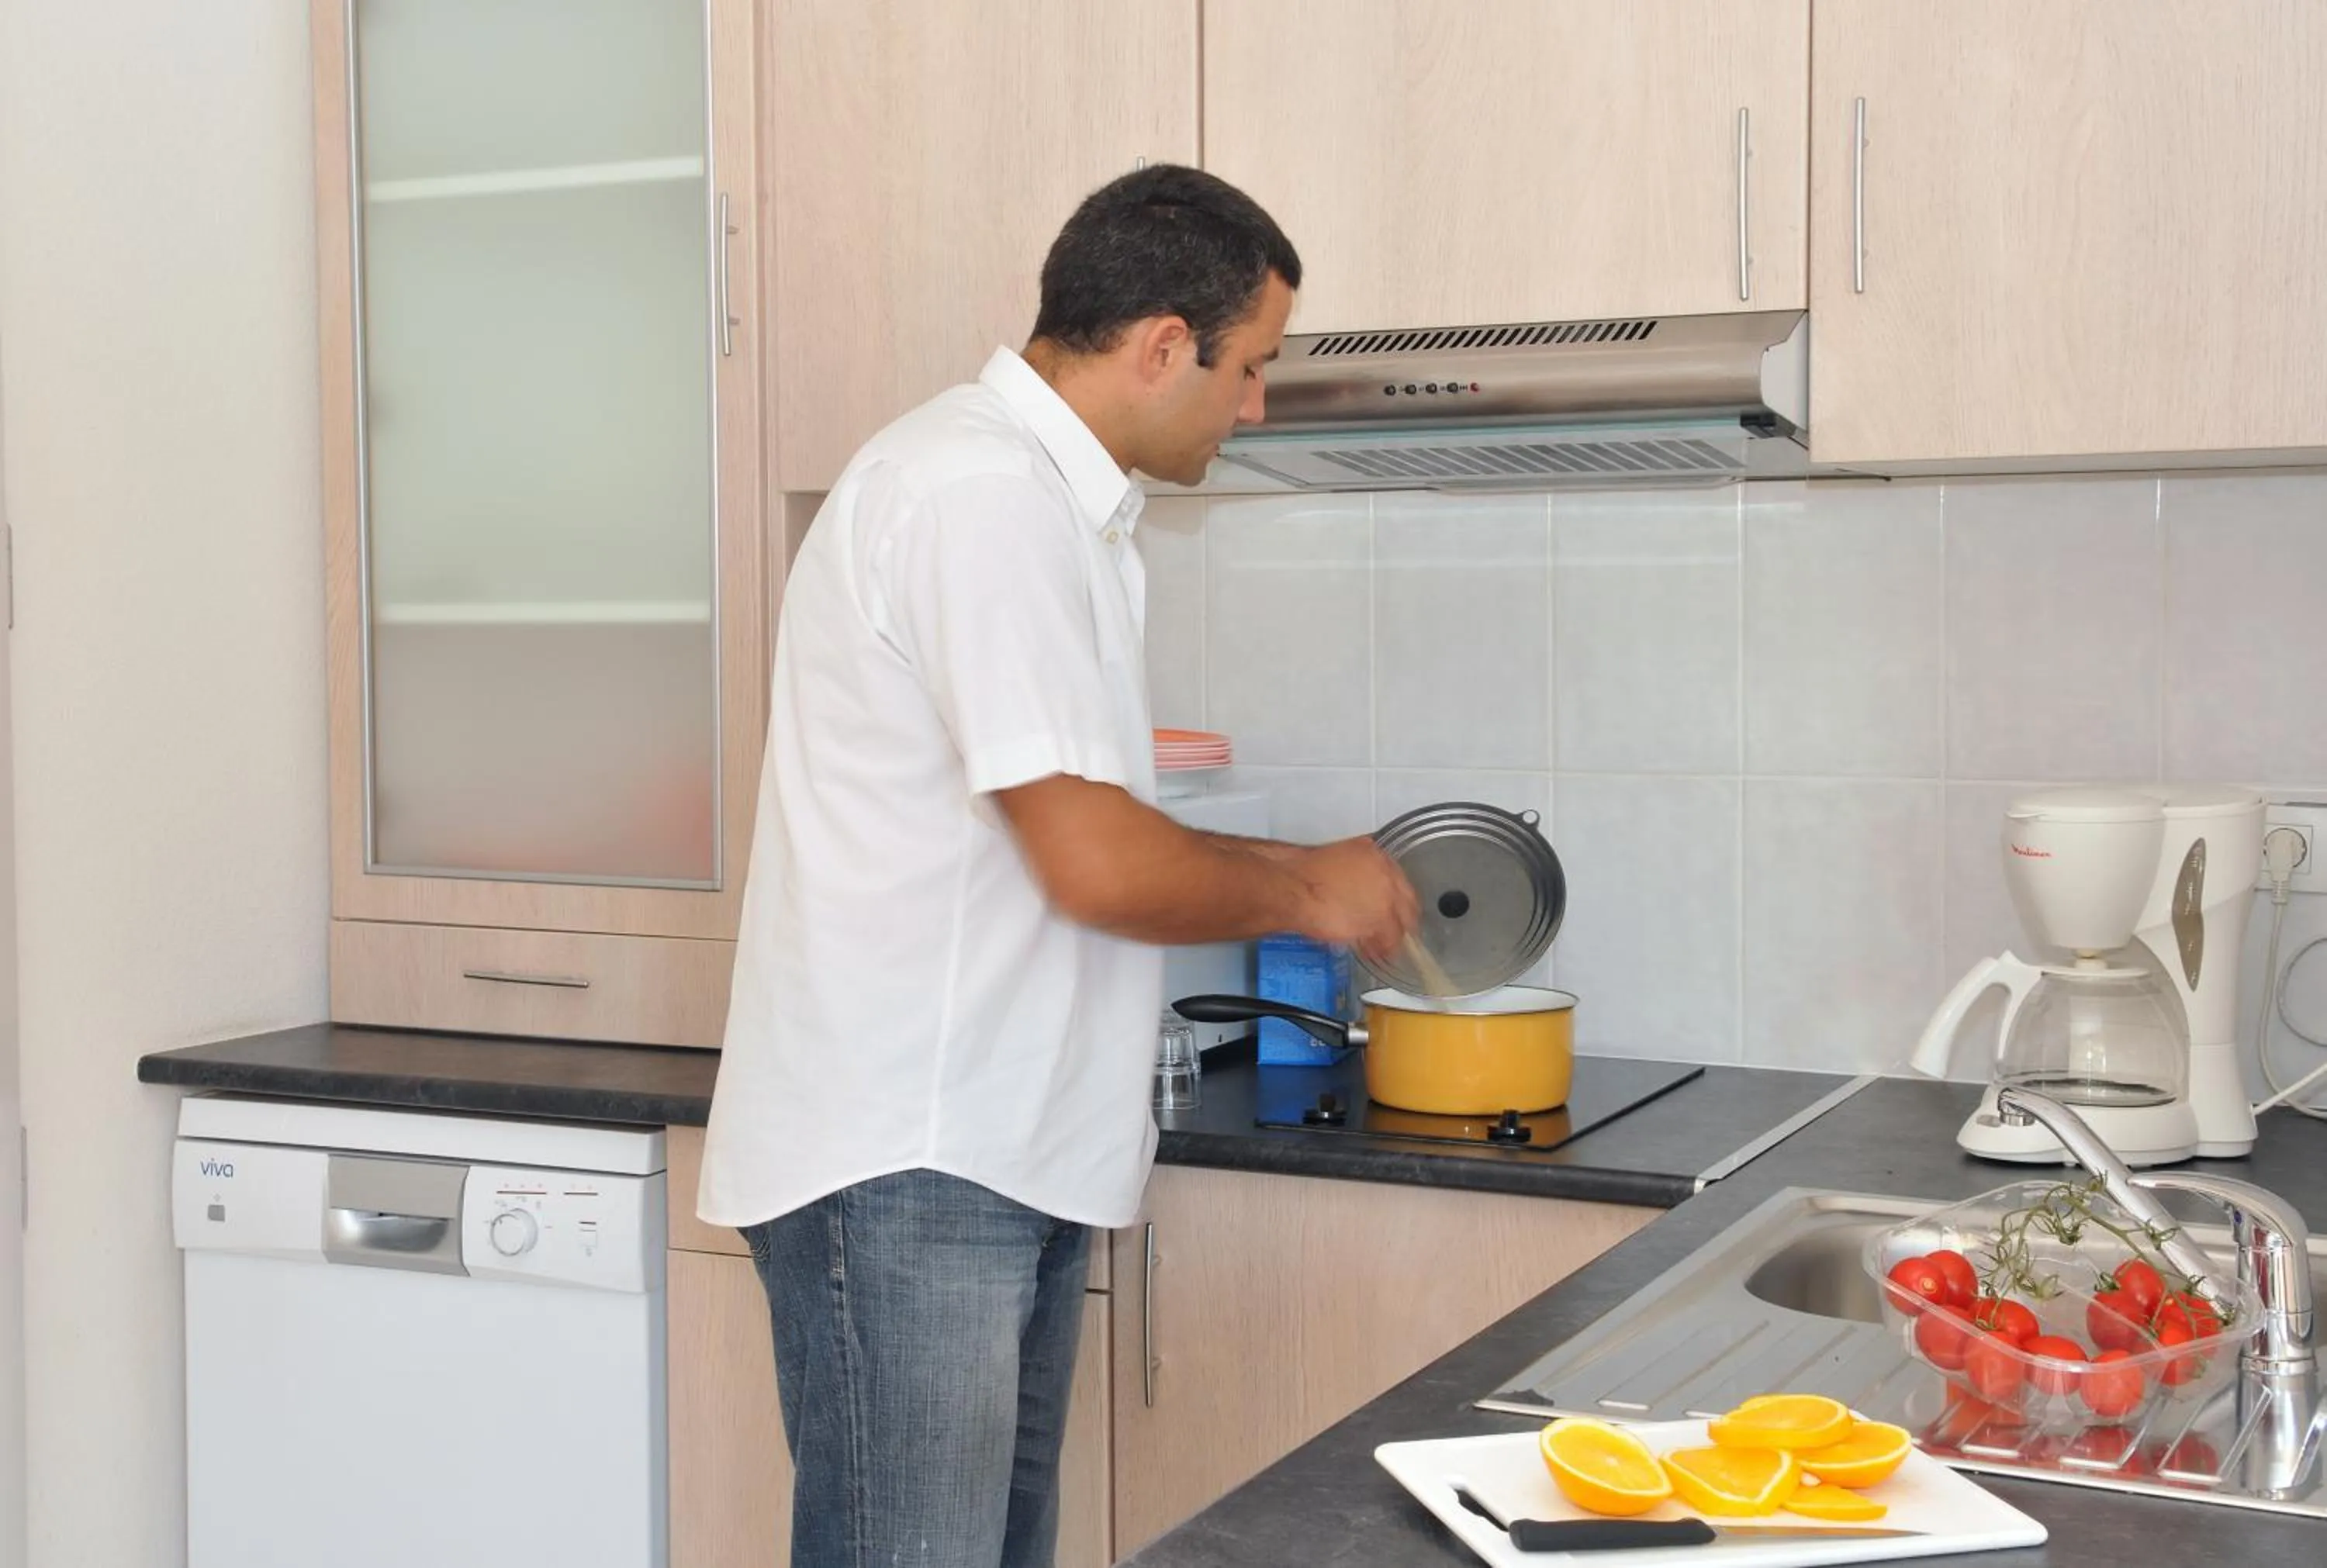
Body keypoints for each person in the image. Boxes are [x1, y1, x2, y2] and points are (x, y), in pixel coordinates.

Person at [697, 163, 1418, 1568]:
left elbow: (1085, 822)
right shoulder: (976, 494)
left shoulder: (1043, 503)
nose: (1256, 408)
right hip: (913, 1155)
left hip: (986, 1151)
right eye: (1252, 368)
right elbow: (1097, 865)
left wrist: (1301, 865)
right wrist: (1304, 889)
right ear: (1163, 344)